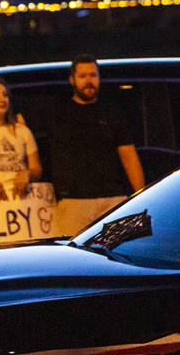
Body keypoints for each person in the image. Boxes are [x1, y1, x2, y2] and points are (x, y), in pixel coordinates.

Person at [47, 56, 145, 237]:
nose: (88, 81)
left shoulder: (113, 112)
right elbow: (16, 126)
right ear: (72, 80)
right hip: (73, 202)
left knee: (119, 256)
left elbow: (128, 156)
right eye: (82, 76)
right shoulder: (56, 112)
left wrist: (140, 197)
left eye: (93, 75)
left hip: (113, 200)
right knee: (74, 259)